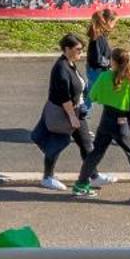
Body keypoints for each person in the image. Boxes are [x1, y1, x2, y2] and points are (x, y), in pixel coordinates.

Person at [73, 47, 130, 206]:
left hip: (106, 119)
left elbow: (93, 96)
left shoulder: (104, 76)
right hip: (121, 121)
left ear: (112, 62)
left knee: (96, 152)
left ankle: (81, 184)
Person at [29, 33, 92, 191]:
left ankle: (93, 175)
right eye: (78, 49)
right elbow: (64, 97)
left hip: (75, 111)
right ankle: (48, 177)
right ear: (67, 48)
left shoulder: (70, 63)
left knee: (86, 143)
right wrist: (72, 117)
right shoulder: (61, 68)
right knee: (55, 145)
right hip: (63, 114)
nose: (81, 53)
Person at [82, 8, 118, 116]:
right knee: (95, 96)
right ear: (107, 22)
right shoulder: (97, 38)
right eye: (114, 22)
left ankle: (82, 114)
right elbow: (97, 59)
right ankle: (81, 117)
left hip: (95, 70)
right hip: (97, 71)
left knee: (91, 94)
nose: (114, 26)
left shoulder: (99, 35)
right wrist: (109, 64)